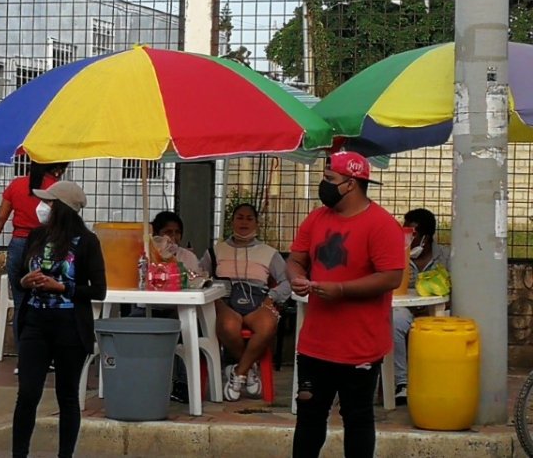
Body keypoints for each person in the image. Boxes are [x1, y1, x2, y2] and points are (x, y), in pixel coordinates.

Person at [287, 151, 406, 458]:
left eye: (329, 178)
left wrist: (341, 289)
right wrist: (296, 277)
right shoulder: (316, 218)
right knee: (309, 416)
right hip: (315, 343)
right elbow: (296, 259)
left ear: (350, 184)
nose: (323, 184)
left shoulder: (382, 225)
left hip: (360, 345)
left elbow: (391, 277)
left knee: (357, 417)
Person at [12, 181, 107, 458]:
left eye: (50, 203)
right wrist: (25, 281)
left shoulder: (87, 241)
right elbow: (18, 278)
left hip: (70, 327)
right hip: (35, 323)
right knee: (28, 394)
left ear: (63, 208)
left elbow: (98, 290)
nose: (43, 208)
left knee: (67, 396)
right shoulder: (36, 236)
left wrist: (63, 287)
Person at [201, 203, 290, 402]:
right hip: (225, 303)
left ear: (256, 223)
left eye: (249, 218)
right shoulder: (215, 251)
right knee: (228, 325)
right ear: (232, 221)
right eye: (240, 217)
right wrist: (214, 297)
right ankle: (248, 370)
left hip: (257, 302)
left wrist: (271, 298)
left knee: (268, 325)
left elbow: (287, 282)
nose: (244, 222)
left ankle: (239, 371)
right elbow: (199, 277)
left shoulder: (269, 253)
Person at [0, 161, 67, 349]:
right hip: (46, 246)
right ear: (56, 169)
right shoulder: (56, 188)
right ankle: (46, 352)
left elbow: (0, 217)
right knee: (48, 301)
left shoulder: (16, 184)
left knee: (20, 303)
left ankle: (23, 354)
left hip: (18, 245)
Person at [392, 207, 450, 405]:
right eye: (405, 232)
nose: (408, 239)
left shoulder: (446, 257)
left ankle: (440, 380)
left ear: (426, 237)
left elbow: (457, 290)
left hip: (437, 310)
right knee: (395, 320)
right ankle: (401, 383)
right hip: (406, 309)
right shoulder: (399, 255)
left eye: (413, 235)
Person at [149, 210, 202, 276]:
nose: (173, 236)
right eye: (168, 232)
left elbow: (196, 280)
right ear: (156, 233)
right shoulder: (149, 256)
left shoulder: (189, 257)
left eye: (177, 232)